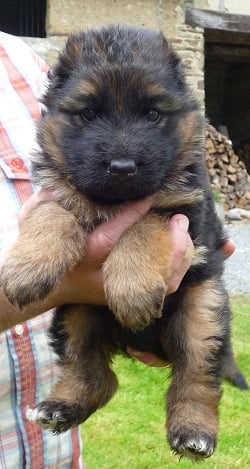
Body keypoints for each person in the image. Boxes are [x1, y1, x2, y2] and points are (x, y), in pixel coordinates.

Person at [0, 31, 235, 468]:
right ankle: (85, 381)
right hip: (82, 322)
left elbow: (184, 227)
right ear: (53, 110)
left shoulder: (21, 57)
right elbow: (52, 208)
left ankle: (194, 404)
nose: (123, 153)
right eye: (88, 114)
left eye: (151, 113)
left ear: (183, 108)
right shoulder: (59, 165)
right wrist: (49, 247)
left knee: (204, 306)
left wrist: (143, 253)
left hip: (182, 298)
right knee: (61, 233)